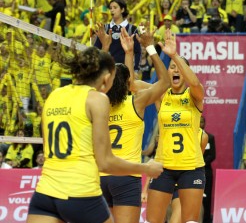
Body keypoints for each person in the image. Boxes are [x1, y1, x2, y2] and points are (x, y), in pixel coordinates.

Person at [26, 46, 163, 223]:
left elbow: (47, 147)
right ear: (106, 78)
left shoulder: (54, 95)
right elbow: (105, 162)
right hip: (80, 192)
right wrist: (146, 168)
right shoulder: (97, 99)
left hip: (45, 194)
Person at [95, 23, 170, 223]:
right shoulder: (136, 102)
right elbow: (164, 82)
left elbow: (100, 80)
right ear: (128, 84)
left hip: (99, 176)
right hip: (126, 177)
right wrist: (150, 47)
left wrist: (106, 48)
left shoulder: (98, 102)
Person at [145, 31, 205, 223]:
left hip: (191, 167)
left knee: (189, 221)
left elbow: (194, 82)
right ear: (167, 72)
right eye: (172, 67)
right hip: (163, 166)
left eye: (180, 67)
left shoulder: (194, 95)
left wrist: (174, 56)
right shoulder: (161, 95)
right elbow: (132, 84)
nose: (176, 70)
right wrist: (147, 48)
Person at [94, 0, 141, 72]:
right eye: (110, 8)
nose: (112, 10)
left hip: (126, 71)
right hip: (107, 70)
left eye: (115, 7)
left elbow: (137, 52)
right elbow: (96, 49)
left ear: (122, 10)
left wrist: (135, 70)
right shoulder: (104, 28)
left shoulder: (133, 29)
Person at [200, 115, 216, 223]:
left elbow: (212, 155)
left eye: (202, 122)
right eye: (198, 121)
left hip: (206, 170)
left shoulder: (210, 137)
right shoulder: (190, 137)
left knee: (206, 197)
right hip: (191, 170)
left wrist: (201, 163)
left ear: (204, 124)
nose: (200, 124)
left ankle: (205, 220)